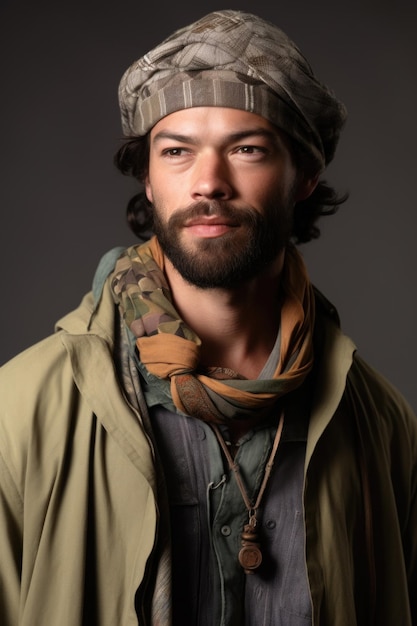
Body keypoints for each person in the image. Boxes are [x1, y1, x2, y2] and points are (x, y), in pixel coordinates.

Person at [0, 9, 415, 626]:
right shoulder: (21, 409)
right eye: (177, 151)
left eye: (247, 149)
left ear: (304, 177)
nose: (208, 182)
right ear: (148, 177)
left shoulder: (377, 423)